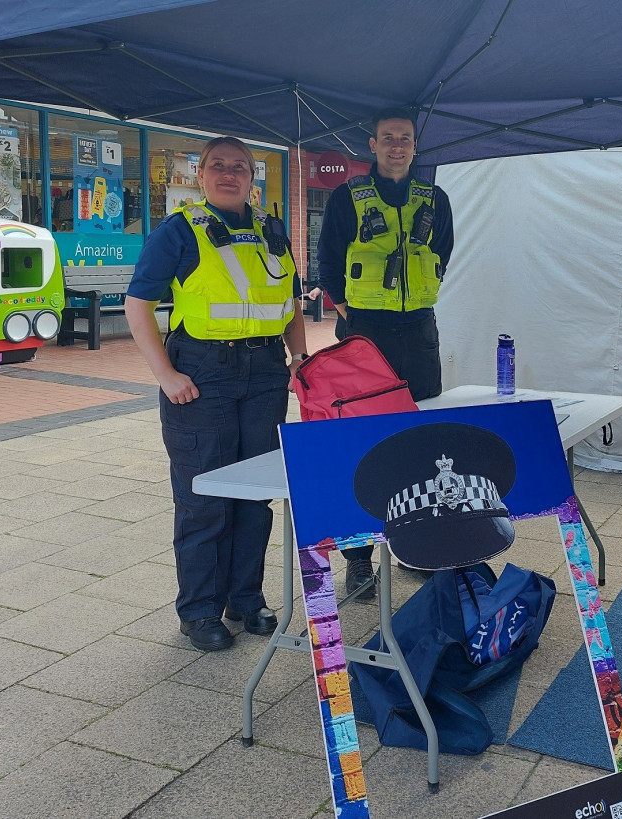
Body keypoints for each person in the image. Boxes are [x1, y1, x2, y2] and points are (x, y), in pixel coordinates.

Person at [125, 136, 308, 651]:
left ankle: (245, 599)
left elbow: (289, 300)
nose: (229, 174)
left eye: (240, 167)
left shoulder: (273, 230)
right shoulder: (179, 231)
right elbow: (137, 304)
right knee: (204, 495)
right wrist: (165, 375)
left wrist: (298, 356)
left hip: (266, 372)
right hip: (204, 375)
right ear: (200, 175)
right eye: (218, 166)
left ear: (253, 178)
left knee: (256, 495)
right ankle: (200, 611)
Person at [318, 107, 454, 597]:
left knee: (421, 437)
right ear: (372, 146)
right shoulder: (346, 197)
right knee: (362, 440)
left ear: (415, 147)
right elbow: (328, 262)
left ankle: (417, 546)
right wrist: (350, 313)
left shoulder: (434, 199)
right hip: (365, 332)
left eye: (406, 138)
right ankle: (359, 562)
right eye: (388, 138)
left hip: (418, 330)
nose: (398, 145)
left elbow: (442, 254)